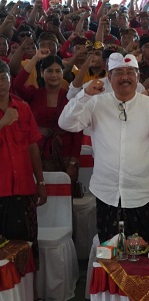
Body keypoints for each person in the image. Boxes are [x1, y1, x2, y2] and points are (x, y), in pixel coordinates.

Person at [58, 53, 149, 244]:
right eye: (118, 72)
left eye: (130, 72)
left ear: (138, 77)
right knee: (109, 251)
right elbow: (66, 123)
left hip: (140, 192)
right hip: (106, 192)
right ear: (109, 78)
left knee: (139, 250)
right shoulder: (95, 102)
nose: (125, 77)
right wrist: (84, 95)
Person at [0, 59, 46, 267]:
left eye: (3, 78)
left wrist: (41, 182)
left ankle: (29, 294)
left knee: (27, 246)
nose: (0, 83)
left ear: (10, 80)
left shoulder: (23, 107)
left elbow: (32, 147)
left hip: (24, 187)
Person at [12, 49, 82, 183]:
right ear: (42, 73)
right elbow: (17, 84)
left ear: (63, 73)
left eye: (58, 71)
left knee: (63, 200)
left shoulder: (70, 97)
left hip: (65, 156)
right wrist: (35, 58)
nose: (54, 75)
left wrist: (74, 162)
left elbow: (77, 132)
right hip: (38, 154)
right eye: (49, 71)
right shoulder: (34, 93)